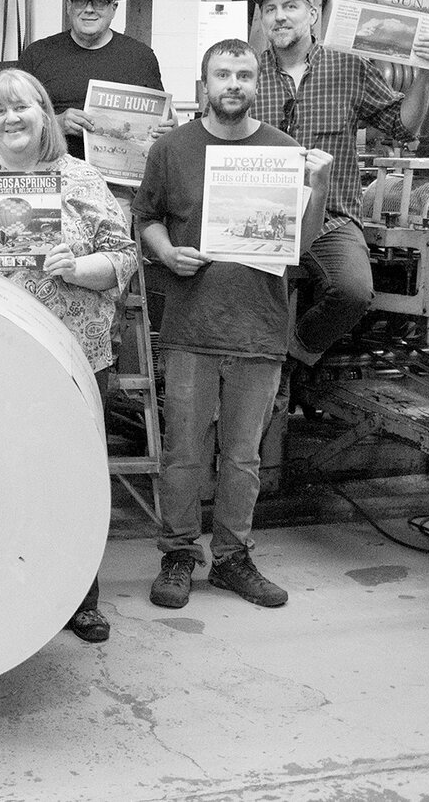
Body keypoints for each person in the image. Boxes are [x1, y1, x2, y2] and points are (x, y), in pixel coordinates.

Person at [0, 68, 136, 643]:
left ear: (45, 114)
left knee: (72, 481)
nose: (12, 118)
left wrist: (79, 268)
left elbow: (124, 256)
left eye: (23, 107)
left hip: (71, 358)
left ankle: (78, 596)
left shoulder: (80, 177)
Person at [133, 40, 332, 610]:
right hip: (193, 323)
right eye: (223, 74)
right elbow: (144, 215)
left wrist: (315, 185)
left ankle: (232, 557)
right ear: (204, 86)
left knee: (243, 456)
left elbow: (303, 241)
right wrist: (166, 254)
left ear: (256, 86)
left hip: (258, 326)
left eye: (245, 74)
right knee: (184, 452)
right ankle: (177, 554)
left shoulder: (284, 150)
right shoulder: (172, 149)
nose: (234, 84)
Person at [249, 0, 429, 368]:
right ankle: (252, 365)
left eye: (290, 7)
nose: (279, 16)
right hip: (261, 215)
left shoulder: (348, 67)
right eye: (270, 10)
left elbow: (402, 127)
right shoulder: (248, 73)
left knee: (354, 292)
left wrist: (424, 74)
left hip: (331, 217)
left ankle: (296, 353)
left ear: (313, 15)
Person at [21, 0, 170, 160]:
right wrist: (55, 123)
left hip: (118, 181)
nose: (89, 9)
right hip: (52, 174)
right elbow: (14, 119)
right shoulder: (37, 54)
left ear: (113, 8)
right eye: (81, 1)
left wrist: (168, 130)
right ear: (68, 6)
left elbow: (161, 121)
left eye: (99, 2)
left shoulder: (140, 57)